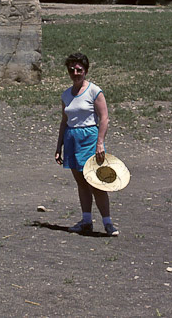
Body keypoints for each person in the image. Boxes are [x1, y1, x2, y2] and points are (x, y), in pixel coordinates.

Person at [55, 52, 119, 236]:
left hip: (89, 138)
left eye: (79, 70)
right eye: (72, 70)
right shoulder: (66, 95)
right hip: (71, 138)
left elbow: (104, 118)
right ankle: (86, 220)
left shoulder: (94, 91)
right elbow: (64, 121)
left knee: (96, 182)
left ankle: (108, 223)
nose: (75, 73)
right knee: (81, 182)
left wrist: (100, 143)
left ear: (85, 71)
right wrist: (59, 147)